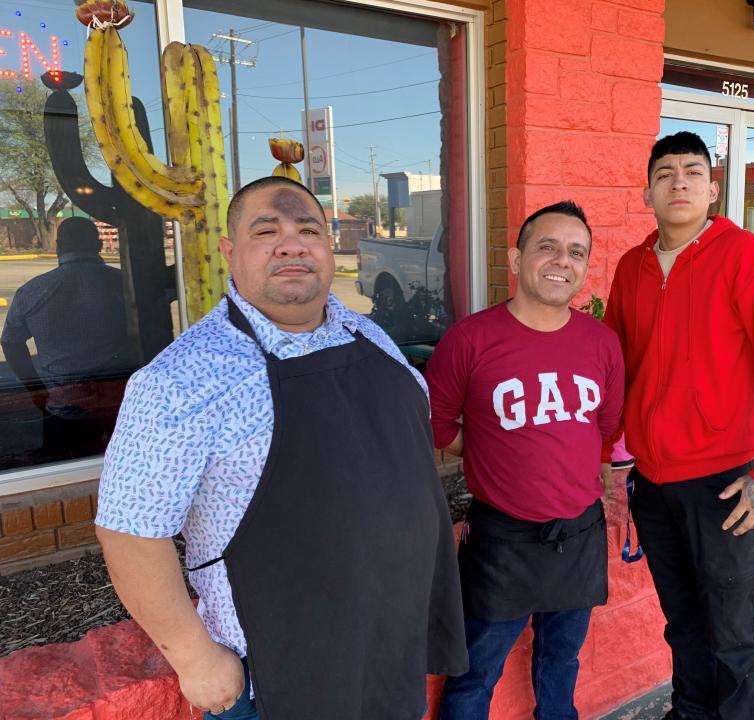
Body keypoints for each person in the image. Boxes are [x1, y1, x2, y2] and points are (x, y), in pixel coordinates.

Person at [95, 176, 468, 720]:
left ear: (329, 245)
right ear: (230, 252)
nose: (291, 244)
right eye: (266, 230)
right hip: (276, 675)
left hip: (389, 648)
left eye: (308, 229)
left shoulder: (374, 338)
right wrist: (195, 659)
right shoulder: (182, 378)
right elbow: (129, 531)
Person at [604, 131, 754, 720]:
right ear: (647, 191)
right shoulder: (632, 267)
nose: (679, 182)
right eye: (666, 172)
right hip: (653, 481)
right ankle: (692, 712)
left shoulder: (745, 257)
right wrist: (608, 455)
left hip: (726, 484)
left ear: (712, 189)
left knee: (734, 633)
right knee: (683, 623)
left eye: (693, 172)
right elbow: (619, 368)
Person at [427, 201, 625, 720]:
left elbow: (605, 429)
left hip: (579, 534)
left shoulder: (602, 343)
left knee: (562, 662)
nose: (563, 260)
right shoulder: (468, 340)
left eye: (576, 252)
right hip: (502, 540)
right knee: (474, 675)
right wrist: (493, 447)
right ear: (516, 261)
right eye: (547, 247)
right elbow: (438, 428)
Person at [0, 217, 134, 457]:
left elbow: (11, 342)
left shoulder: (32, 291)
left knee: (64, 469)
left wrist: (36, 389)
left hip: (64, 407)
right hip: (122, 404)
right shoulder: (125, 285)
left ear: (59, 247)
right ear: (99, 245)